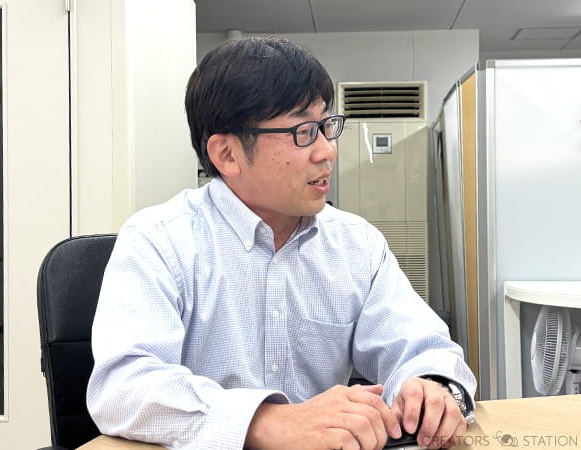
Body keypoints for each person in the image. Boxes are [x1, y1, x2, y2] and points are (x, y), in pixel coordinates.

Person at [87, 36, 476, 450]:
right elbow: (123, 385)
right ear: (227, 154)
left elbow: (422, 345)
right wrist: (264, 422)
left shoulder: (356, 243)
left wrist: (431, 387)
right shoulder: (159, 240)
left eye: (327, 126)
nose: (327, 151)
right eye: (303, 132)